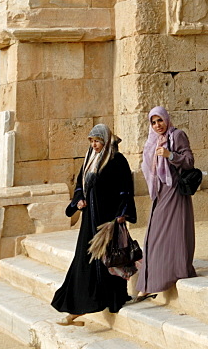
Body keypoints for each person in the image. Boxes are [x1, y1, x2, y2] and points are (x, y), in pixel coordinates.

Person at [51, 124, 136, 325]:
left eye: (97, 141)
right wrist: (79, 199)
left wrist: (121, 215)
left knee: (109, 260)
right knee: (85, 259)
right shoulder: (90, 159)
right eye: (92, 141)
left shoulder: (117, 160)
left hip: (108, 221)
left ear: (106, 141)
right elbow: (80, 184)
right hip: (90, 219)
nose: (94, 144)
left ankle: (113, 299)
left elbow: (126, 190)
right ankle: (78, 305)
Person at [136, 106, 196, 299]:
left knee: (170, 234)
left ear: (166, 119)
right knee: (153, 236)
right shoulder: (152, 140)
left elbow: (189, 161)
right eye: (153, 122)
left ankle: (169, 275)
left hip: (174, 190)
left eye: (160, 120)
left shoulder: (177, 135)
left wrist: (170, 155)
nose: (157, 125)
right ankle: (149, 282)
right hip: (160, 191)